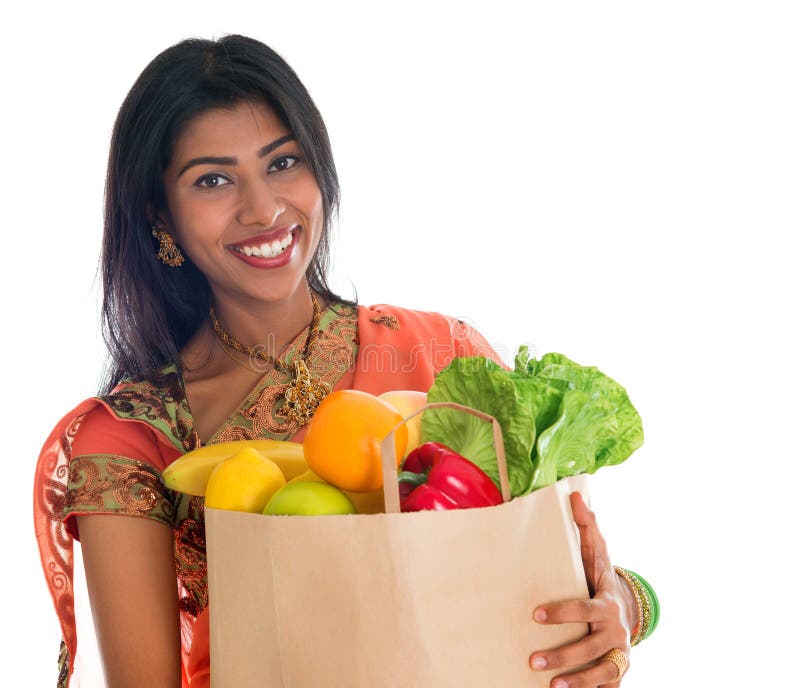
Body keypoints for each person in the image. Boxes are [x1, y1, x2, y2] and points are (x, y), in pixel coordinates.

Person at [33, 34, 658, 688]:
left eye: (282, 163)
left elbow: (568, 580)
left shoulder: (442, 356)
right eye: (213, 179)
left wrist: (622, 604)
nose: (263, 208)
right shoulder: (132, 440)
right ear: (160, 214)